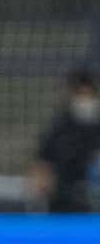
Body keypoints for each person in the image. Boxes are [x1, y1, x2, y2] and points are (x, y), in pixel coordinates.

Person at [29, 66, 100, 212]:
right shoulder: (60, 127)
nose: (84, 98)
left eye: (88, 93)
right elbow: (43, 162)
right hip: (64, 201)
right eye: (79, 93)